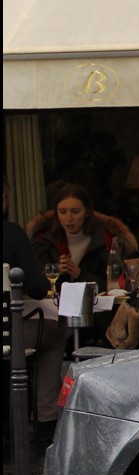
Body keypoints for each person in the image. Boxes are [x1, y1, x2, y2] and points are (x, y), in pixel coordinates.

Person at [6, 181, 69, 442]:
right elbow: (34, 286)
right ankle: (46, 422)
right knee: (57, 332)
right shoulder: (11, 233)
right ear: (4, 198)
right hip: (9, 335)